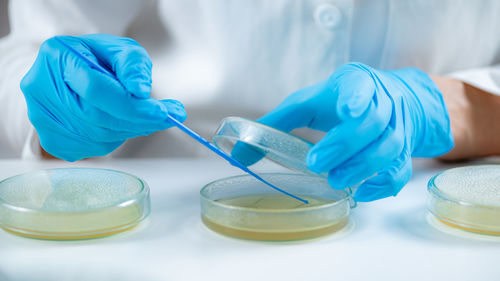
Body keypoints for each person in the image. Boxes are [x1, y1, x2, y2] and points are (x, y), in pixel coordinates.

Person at [1, 0, 499, 201]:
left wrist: (447, 105)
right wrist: (56, 101)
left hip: (423, 200)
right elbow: (35, 46)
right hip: (164, 207)